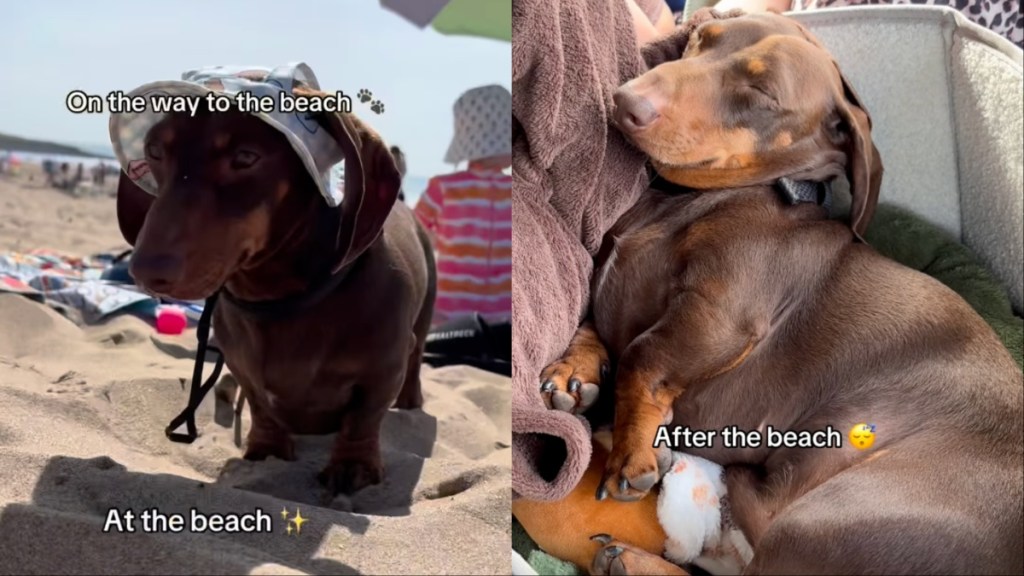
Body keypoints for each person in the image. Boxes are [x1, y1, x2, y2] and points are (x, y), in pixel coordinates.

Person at [413, 84, 512, 326]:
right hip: (504, 318)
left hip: (448, 315)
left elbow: (414, 235)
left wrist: (440, 239)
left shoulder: (444, 188)